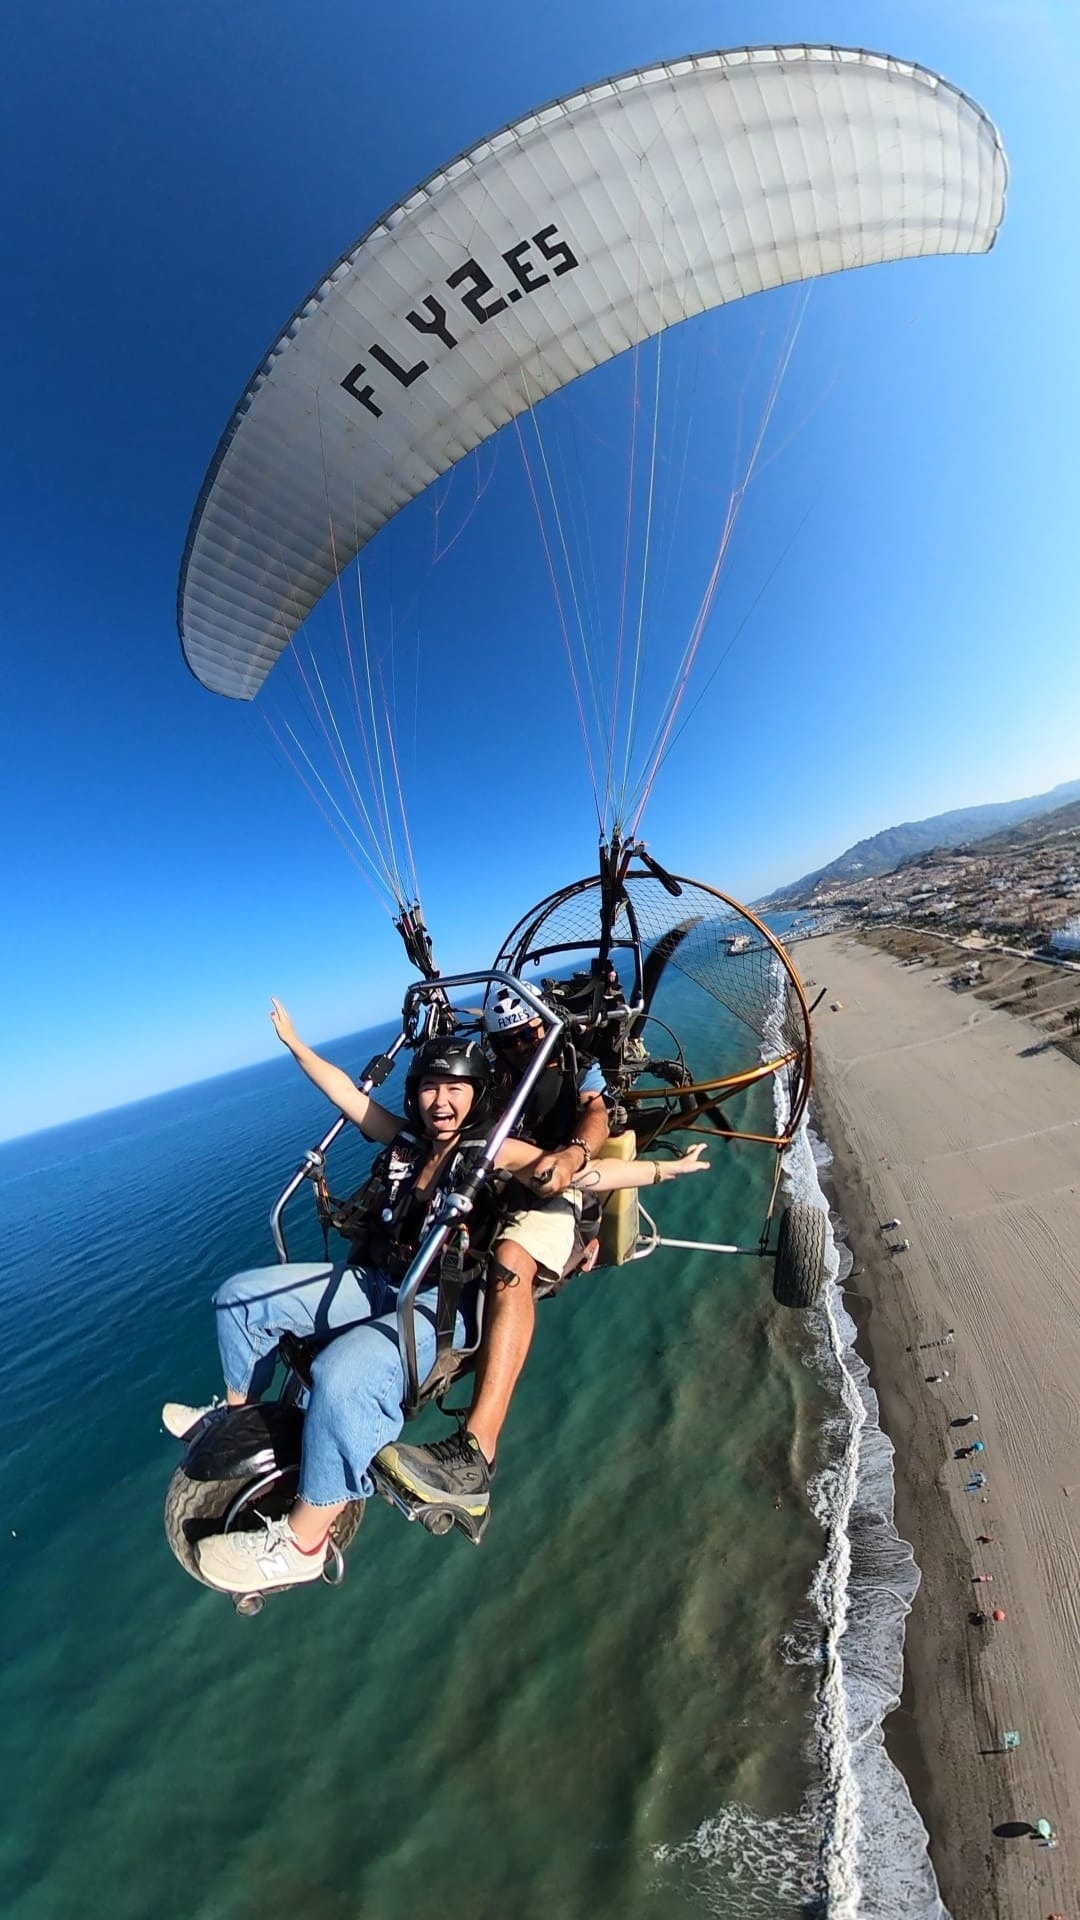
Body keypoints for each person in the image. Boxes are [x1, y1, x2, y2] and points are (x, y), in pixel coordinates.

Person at [164, 1001, 709, 1596]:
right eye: (428, 1088)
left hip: (440, 1304)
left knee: (342, 1373)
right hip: (379, 1283)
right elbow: (348, 1096)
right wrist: (296, 1045)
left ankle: (303, 1542)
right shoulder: (406, 1142)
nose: (440, 1101)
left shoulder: (492, 1150)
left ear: (476, 1094)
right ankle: (240, 1415)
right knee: (240, 1298)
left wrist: (660, 1172)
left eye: (454, 1088)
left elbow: (578, 1176)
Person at [375, 982, 613, 1523]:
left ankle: (476, 1453)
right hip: (496, 1181)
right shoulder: (492, 1071)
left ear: (543, 1028)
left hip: (552, 1180)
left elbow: (595, 1114)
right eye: (508, 1043)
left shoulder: (575, 1064)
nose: (521, 1050)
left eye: (528, 1038)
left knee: (510, 1260)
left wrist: (573, 1156)